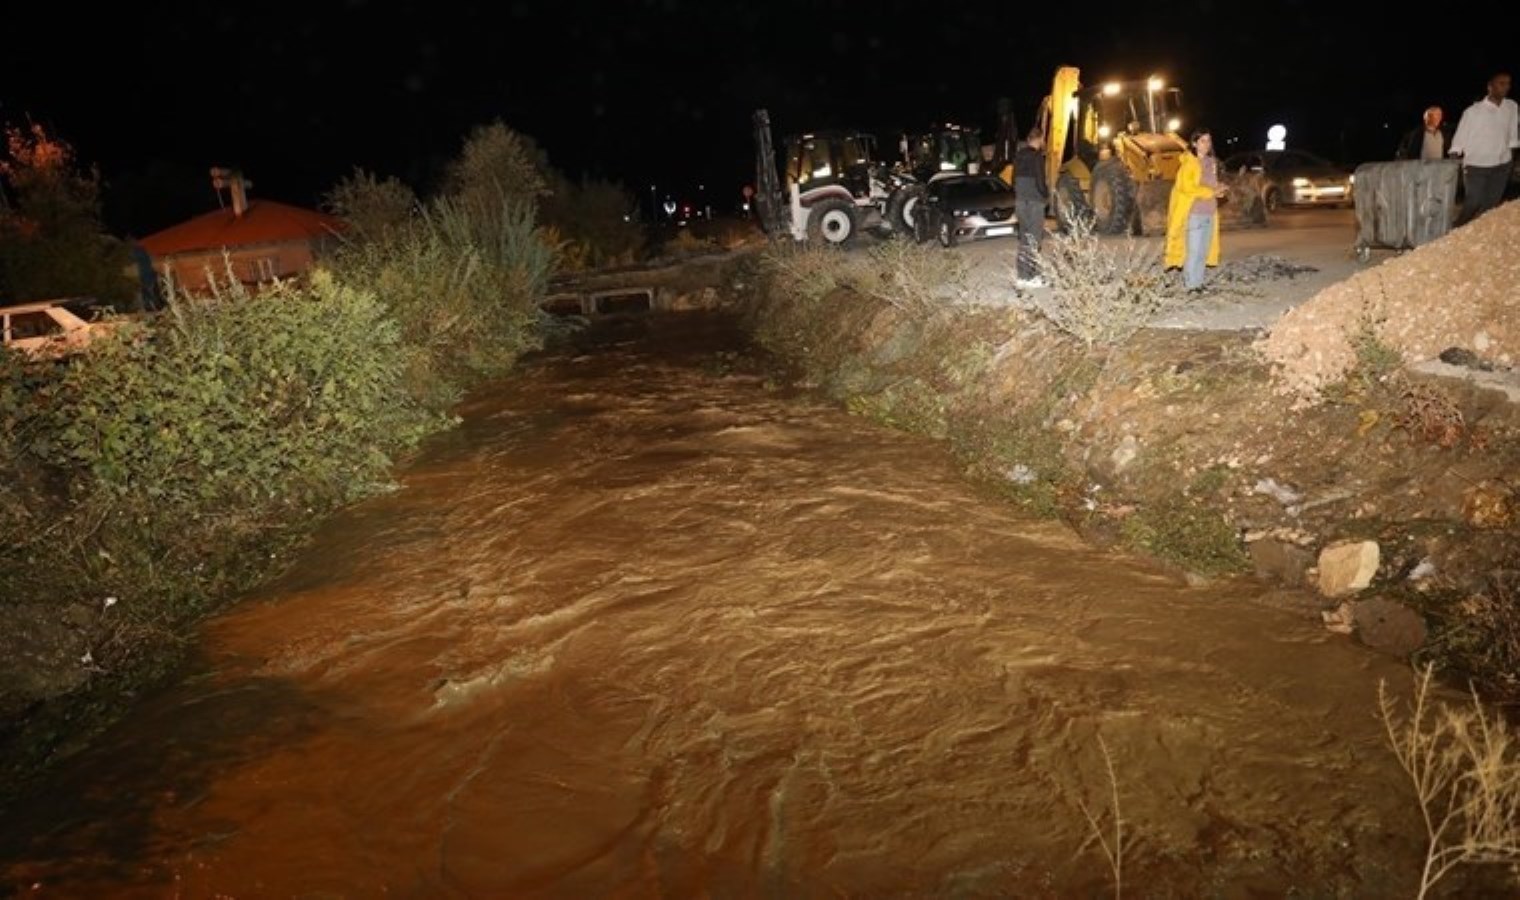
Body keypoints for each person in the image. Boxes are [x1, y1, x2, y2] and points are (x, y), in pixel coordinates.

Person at [1450, 71, 1519, 225]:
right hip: (1476, 165)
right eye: (1501, 83)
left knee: (1490, 206)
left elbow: (1513, 134)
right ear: (1490, 86)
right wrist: (1454, 160)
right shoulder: (1473, 112)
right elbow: (1459, 140)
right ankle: (1456, 227)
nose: (1506, 87)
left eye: (1508, 83)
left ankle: (1477, 232)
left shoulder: (1512, 107)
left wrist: (1511, 161)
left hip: (1502, 165)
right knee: (1474, 201)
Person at [1164, 127, 1228, 293]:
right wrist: (1211, 192)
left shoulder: (1211, 163)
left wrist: (1219, 189)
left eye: (1208, 140)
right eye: (1202, 141)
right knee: (1193, 251)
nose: (1206, 144)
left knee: (1203, 251)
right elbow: (1187, 187)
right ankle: (1190, 286)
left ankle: (1198, 283)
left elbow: (1210, 185)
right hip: (1194, 213)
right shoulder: (1189, 163)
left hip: (1209, 212)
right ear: (1194, 143)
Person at [1013, 126, 1049, 290]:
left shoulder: (1019, 155)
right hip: (1034, 202)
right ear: (1039, 139)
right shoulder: (1037, 156)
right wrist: (1045, 195)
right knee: (1035, 240)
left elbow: (1013, 180)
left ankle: (1022, 277)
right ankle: (1033, 277)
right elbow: (1040, 181)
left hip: (1021, 202)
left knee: (1024, 239)